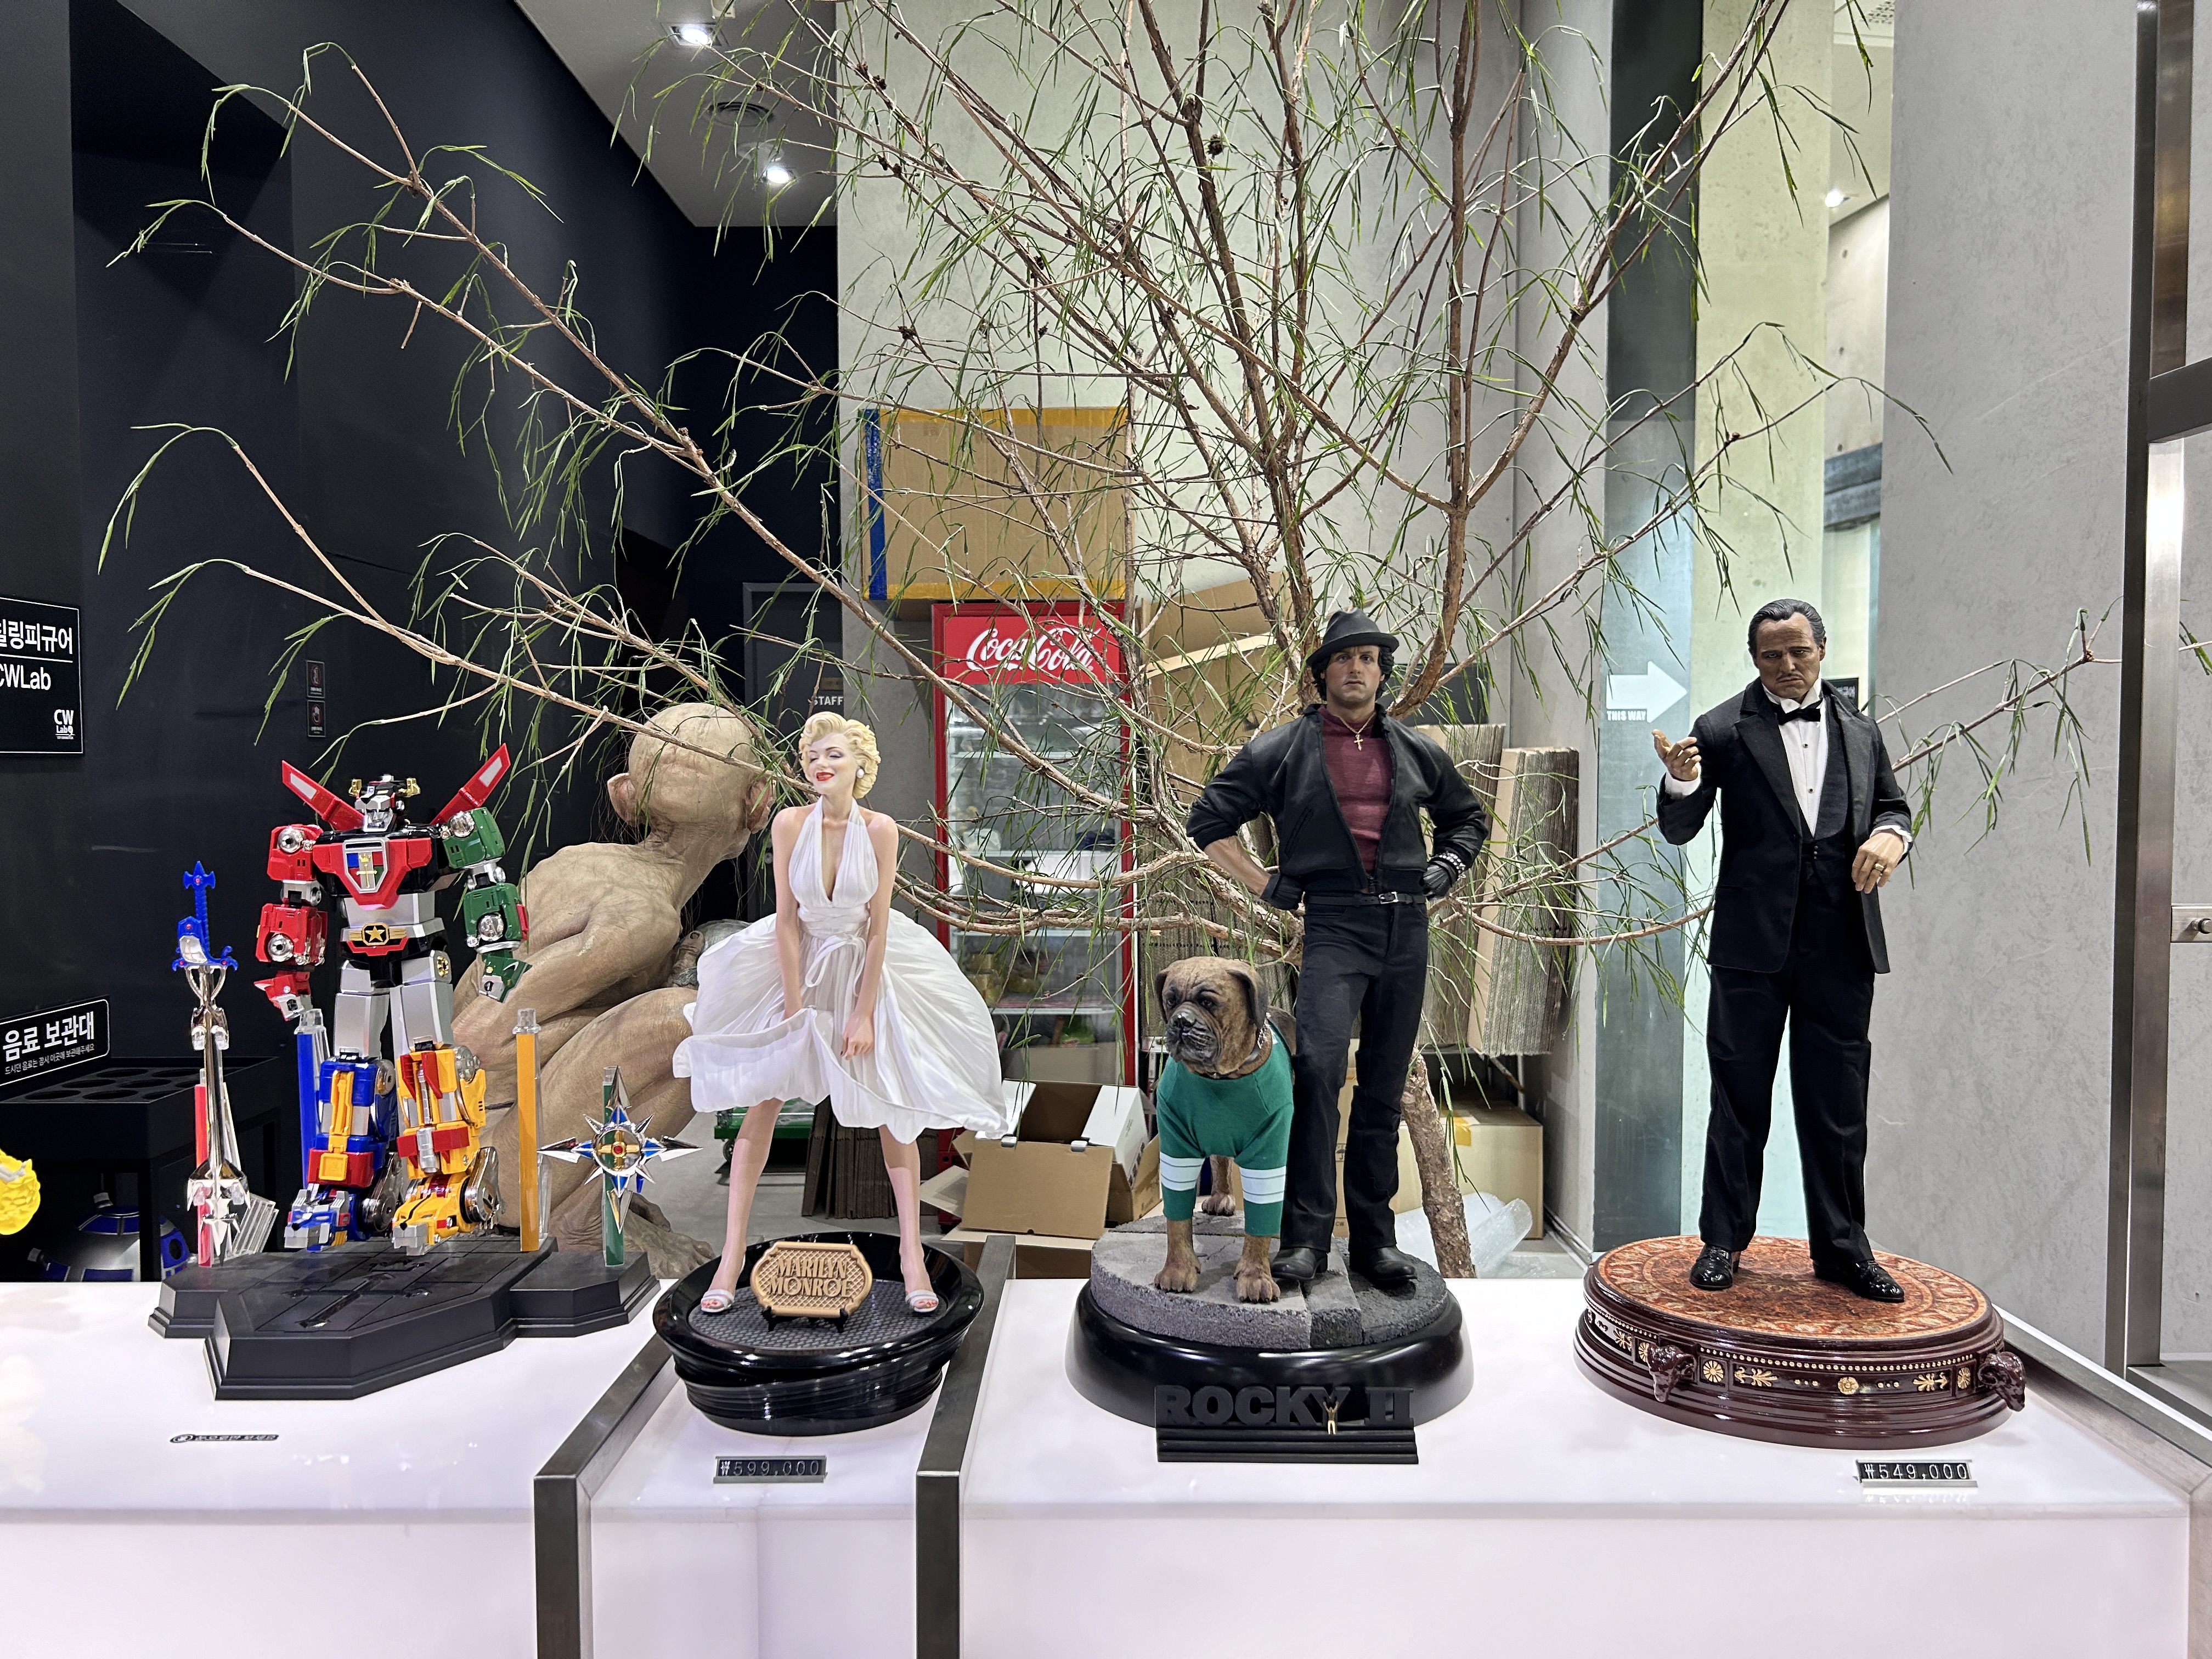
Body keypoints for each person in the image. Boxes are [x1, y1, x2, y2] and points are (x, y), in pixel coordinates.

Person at [1187, 609, 1489, 1290]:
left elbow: (1466, 819)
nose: (1357, 668)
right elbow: (1207, 820)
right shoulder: (1283, 749)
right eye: (1344, 657)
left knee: (1384, 1086)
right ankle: (1306, 1241)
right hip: (1333, 925)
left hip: (1407, 927)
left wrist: (1448, 865)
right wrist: (1265, 883)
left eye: (1370, 658)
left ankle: (1375, 1243)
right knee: (1318, 1073)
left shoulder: (1415, 749)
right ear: (1323, 672)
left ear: (1383, 674)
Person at [675, 712, 1013, 1314]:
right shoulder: (789, 824)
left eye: (833, 754)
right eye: (812, 757)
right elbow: (786, 920)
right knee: (764, 1100)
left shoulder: (881, 830)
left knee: (891, 1108)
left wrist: (864, 1012)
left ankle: (912, 1256)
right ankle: (731, 1256)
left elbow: (878, 927)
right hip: (802, 965)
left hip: (862, 969)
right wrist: (794, 1007)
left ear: (860, 765)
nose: (820, 765)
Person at [1651, 597, 1913, 1302]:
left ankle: (1844, 1250)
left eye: (1799, 651)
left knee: (1838, 1103)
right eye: (1772, 655)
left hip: (1842, 943)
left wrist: (1891, 836)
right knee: (1738, 1100)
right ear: (1755, 659)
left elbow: (1893, 806)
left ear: (1822, 649)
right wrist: (1680, 777)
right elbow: (1680, 828)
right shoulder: (1721, 729)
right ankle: (1722, 1242)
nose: (1787, 666)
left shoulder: (1860, 728)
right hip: (1752, 947)